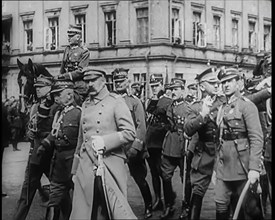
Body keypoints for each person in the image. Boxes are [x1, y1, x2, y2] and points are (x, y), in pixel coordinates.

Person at [70, 67, 136, 219]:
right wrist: (75, 170)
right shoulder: (85, 104)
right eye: (87, 81)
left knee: (111, 210)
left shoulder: (116, 102)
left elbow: (130, 132)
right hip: (86, 166)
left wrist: (105, 141)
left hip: (109, 164)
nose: (90, 84)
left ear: (103, 80)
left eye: (93, 80)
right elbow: (81, 139)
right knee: (84, 212)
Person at [214, 68, 263, 219]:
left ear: (238, 83)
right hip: (224, 166)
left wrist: (254, 168)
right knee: (220, 204)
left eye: (230, 81)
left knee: (251, 208)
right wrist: (216, 167)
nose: (226, 85)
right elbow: (219, 140)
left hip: (242, 165)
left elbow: (256, 138)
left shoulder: (247, 106)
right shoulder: (221, 108)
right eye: (223, 82)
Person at [13, 75, 59, 220]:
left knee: (60, 192)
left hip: (51, 156)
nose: (37, 90)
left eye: (41, 87)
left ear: (50, 88)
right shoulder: (34, 106)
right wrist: (29, 133)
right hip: (34, 157)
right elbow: (30, 127)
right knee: (26, 194)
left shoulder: (56, 107)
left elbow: (57, 132)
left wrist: (41, 134)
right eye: (37, 87)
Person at [184, 67, 226, 220]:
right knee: (198, 192)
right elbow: (188, 129)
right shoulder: (195, 106)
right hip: (204, 155)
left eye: (217, 83)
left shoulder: (224, 101)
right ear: (202, 86)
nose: (217, 86)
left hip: (224, 153)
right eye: (212, 83)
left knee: (226, 193)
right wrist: (202, 114)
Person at [37, 79, 81, 220]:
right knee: (54, 202)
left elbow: (84, 139)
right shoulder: (58, 113)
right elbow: (54, 133)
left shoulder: (80, 113)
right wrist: (44, 144)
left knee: (81, 201)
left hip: (75, 166)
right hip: (58, 165)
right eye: (54, 95)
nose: (55, 98)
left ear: (69, 95)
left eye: (58, 95)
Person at [112, 68, 153, 219]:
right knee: (116, 180)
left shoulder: (134, 102)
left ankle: (148, 204)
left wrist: (136, 147)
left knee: (140, 179)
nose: (118, 84)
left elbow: (141, 126)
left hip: (132, 148)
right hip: (116, 147)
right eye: (116, 82)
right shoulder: (110, 100)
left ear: (127, 82)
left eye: (121, 81)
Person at [159, 78, 189, 219]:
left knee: (186, 178)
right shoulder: (169, 105)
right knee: (165, 175)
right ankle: (169, 205)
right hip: (170, 144)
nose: (174, 92)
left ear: (183, 90)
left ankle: (186, 205)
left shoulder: (188, 107)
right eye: (172, 89)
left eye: (177, 89)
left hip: (183, 145)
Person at [145, 74, 173, 211]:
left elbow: (170, 122)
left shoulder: (168, 101)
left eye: (156, 85)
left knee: (163, 172)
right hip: (150, 142)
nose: (154, 88)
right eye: (152, 86)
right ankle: (158, 199)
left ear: (162, 85)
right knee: (154, 173)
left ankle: (169, 198)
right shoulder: (150, 101)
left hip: (161, 142)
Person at [56, 24, 90, 104]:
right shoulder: (67, 49)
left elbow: (81, 71)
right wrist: (59, 77)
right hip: (66, 83)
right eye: (68, 36)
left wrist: (65, 76)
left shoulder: (84, 51)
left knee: (76, 102)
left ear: (78, 37)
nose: (68, 39)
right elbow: (62, 67)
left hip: (78, 85)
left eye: (71, 36)